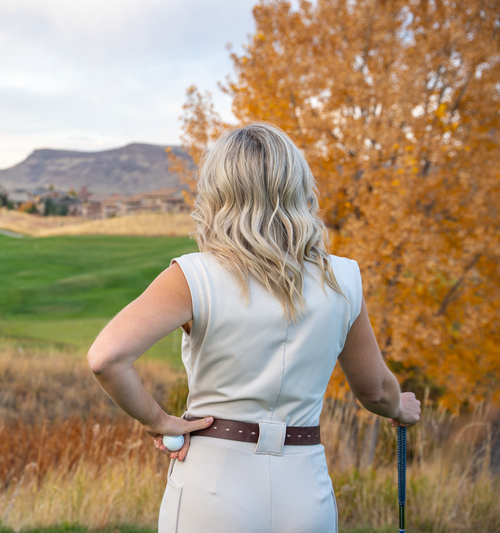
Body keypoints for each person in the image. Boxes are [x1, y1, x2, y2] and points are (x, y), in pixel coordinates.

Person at [87, 122, 421, 533]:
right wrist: (400, 408)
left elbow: (106, 358)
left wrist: (158, 420)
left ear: (217, 192)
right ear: (298, 186)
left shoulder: (194, 277)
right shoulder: (343, 279)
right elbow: (376, 392)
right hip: (305, 488)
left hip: (211, 486)